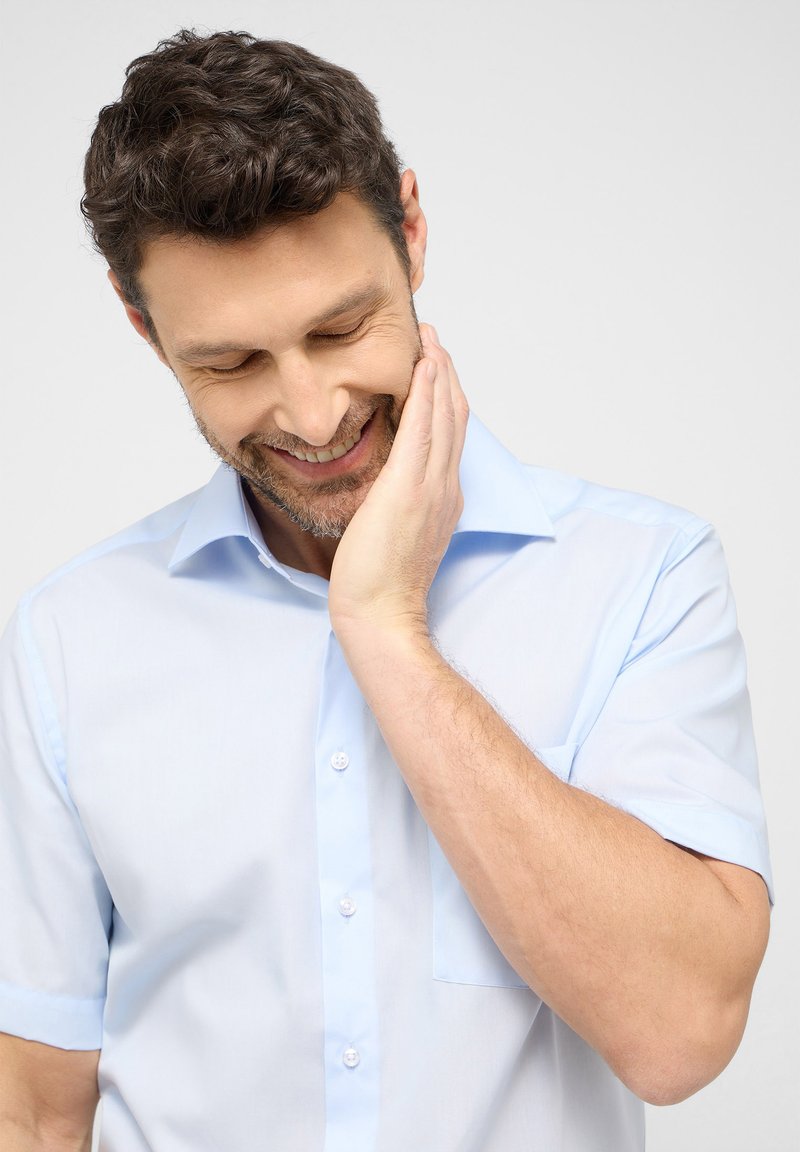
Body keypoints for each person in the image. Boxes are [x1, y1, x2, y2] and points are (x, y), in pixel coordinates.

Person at [0, 28, 771, 1152]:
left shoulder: (640, 577)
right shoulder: (71, 638)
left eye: (340, 328)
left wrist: (385, 627)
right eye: (231, 363)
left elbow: (678, 1035)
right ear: (143, 328)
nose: (313, 416)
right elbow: (35, 1110)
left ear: (409, 231)